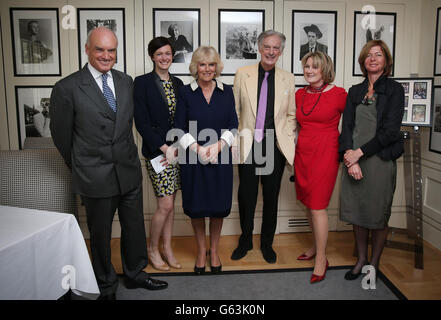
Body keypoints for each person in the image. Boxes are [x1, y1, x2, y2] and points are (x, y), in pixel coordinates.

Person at [49, 27, 168, 300]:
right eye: (100, 49)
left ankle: (136, 275)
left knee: (135, 227)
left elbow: (129, 125)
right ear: (87, 50)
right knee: (100, 235)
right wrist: (81, 165)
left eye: (111, 50)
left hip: (128, 170)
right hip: (95, 175)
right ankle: (105, 285)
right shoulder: (67, 88)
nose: (106, 55)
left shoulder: (126, 81)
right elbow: (62, 137)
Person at [339, 40, 404, 281]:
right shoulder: (354, 91)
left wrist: (359, 153)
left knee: (376, 214)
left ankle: (373, 264)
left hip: (379, 159)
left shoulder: (395, 90)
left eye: (378, 55)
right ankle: (361, 260)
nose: (373, 59)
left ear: (386, 60)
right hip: (353, 160)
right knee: (357, 211)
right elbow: (346, 127)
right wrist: (350, 156)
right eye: (369, 55)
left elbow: (389, 132)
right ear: (363, 61)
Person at [231, 30, 296, 264]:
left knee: (271, 196)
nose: (271, 51)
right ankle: (245, 240)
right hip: (248, 143)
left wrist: (285, 137)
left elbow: (291, 115)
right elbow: (235, 111)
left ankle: (267, 243)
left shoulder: (288, 78)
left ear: (281, 51)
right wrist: (235, 144)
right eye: (267, 47)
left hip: (274, 146)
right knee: (246, 196)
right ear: (259, 48)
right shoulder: (242, 74)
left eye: (276, 48)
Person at [173, 46, 238, 274]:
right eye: (202, 64)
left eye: (211, 65)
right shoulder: (186, 92)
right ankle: (201, 251)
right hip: (193, 159)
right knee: (198, 207)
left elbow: (233, 125)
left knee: (218, 207)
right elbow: (179, 128)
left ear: (216, 67)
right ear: (195, 67)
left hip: (220, 157)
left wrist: (219, 146)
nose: (207, 69)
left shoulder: (226, 91)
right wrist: (198, 149)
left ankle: (215, 250)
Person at [294, 51, 347, 283]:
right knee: (307, 202)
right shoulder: (298, 94)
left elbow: (354, 124)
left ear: (325, 69)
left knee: (318, 206)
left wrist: (351, 153)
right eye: (306, 66)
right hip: (303, 153)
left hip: (326, 153)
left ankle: (322, 258)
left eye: (314, 67)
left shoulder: (339, 94)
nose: (309, 71)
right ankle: (316, 246)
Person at [133, 37, 183, 271]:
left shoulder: (179, 84)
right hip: (157, 153)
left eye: (168, 53)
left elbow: (183, 120)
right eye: (160, 53)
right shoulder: (141, 83)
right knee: (164, 204)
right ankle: (152, 249)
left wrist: (177, 148)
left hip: (177, 152)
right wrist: (165, 148)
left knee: (171, 204)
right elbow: (141, 123)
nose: (164, 57)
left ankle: (167, 248)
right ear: (152, 56)